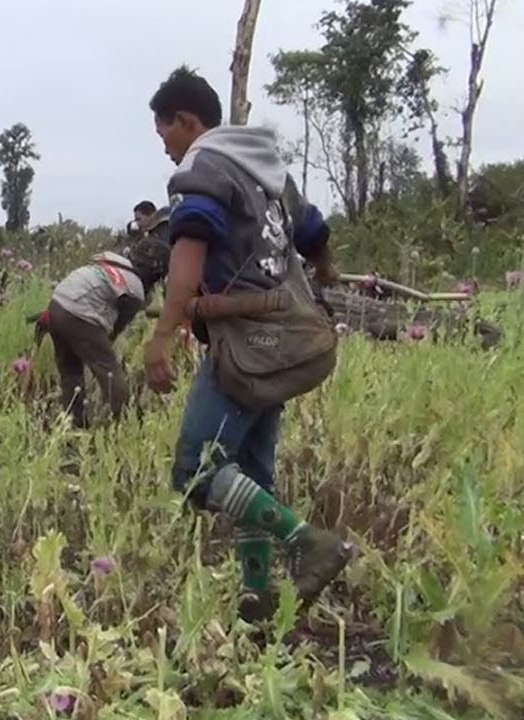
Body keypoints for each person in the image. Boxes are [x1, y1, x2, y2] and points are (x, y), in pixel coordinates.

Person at [143, 66, 350, 623]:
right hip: (284, 342)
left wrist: (163, 336)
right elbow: (314, 233)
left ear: (188, 121)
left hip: (242, 348)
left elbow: (188, 252)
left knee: (197, 472)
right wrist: (325, 270)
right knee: (253, 476)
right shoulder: (268, 168)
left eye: (164, 132)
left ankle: (308, 542)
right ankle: (255, 602)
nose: (164, 146)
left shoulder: (204, 167)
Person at [43, 235, 169, 427]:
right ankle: (128, 422)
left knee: (70, 370)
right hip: (81, 314)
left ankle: (74, 423)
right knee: (108, 369)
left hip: (57, 304)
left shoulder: (113, 263)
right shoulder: (134, 288)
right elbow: (117, 327)